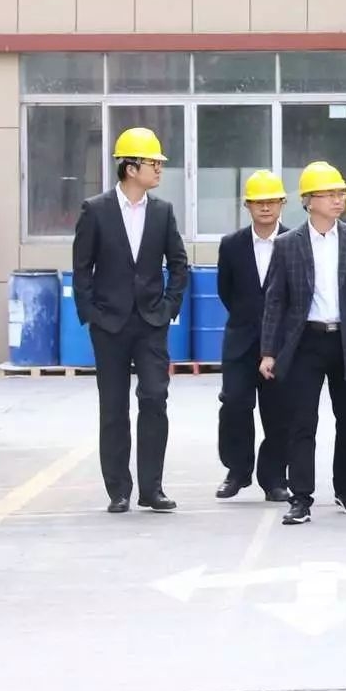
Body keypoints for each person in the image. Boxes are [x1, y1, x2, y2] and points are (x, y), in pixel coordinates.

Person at [258, 162, 346, 526]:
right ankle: (301, 497)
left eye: (341, 194)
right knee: (302, 421)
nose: (339, 200)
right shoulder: (288, 245)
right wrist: (268, 351)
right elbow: (275, 301)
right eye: (331, 194)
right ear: (309, 200)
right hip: (305, 342)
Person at [72, 127, 191, 515]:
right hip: (109, 325)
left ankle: (151, 489)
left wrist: (169, 307)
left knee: (155, 399)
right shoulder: (96, 209)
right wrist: (91, 314)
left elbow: (179, 264)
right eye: (153, 163)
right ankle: (118, 490)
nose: (159, 169)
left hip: (151, 322)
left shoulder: (162, 211)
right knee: (114, 407)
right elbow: (81, 268)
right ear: (130, 167)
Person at [214, 170, 290, 503]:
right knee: (234, 403)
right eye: (258, 202)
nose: (265, 208)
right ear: (247, 205)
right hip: (240, 341)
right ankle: (237, 471)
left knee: (278, 411)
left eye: (271, 201)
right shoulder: (232, 245)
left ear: (282, 203)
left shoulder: (294, 241)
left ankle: (274, 479)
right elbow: (226, 291)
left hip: (281, 344)